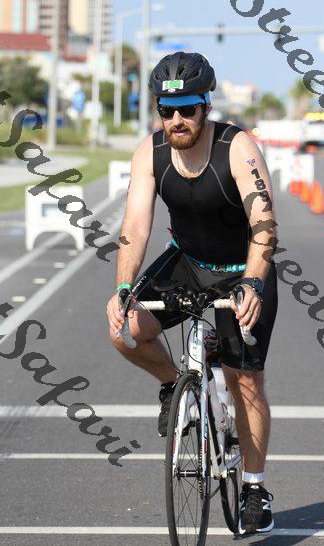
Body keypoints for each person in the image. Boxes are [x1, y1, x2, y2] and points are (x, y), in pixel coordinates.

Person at [106, 51, 278, 535]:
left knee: (246, 380)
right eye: (167, 110)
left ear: (206, 106)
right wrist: (123, 287)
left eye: (187, 109)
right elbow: (135, 226)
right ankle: (172, 386)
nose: (177, 120)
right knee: (124, 330)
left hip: (241, 269)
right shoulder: (151, 152)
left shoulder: (237, 148)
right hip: (188, 262)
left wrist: (253, 282)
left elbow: (264, 223)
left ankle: (254, 487)